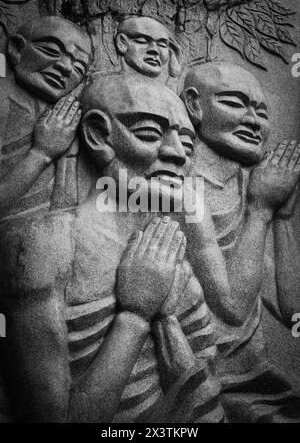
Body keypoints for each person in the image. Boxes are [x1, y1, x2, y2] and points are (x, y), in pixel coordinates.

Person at [0, 74, 225, 423]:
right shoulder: (42, 243)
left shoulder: (170, 246)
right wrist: (134, 317)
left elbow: (205, 392)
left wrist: (165, 319)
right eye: (150, 134)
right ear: (97, 135)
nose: (177, 154)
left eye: (187, 145)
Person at [181, 61, 300, 422]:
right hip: (206, 381)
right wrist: (262, 209)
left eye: (261, 112)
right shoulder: (177, 190)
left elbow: (292, 311)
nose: (254, 122)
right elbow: (230, 311)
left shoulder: (247, 184)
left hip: (259, 378)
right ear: (194, 104)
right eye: (234, 103)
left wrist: (281, 217)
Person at [0, 15, 92, 218]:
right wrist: (41, 154)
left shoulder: (69, 121)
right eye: (51, 51)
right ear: (16, 48)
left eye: (79, 68)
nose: (66, 68)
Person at [115, 16, 182, 83]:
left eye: (162, 45)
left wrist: (174, 76)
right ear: (122, 42)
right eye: (142, 41)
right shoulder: (111, 86)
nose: (154, 50)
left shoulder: (165, 90)